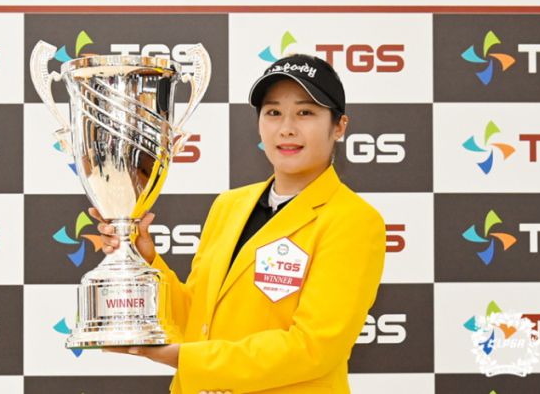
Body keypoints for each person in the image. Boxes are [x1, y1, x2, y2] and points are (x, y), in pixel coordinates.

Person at [95, 54, 386, 394]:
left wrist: (183, 358)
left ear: (339, 126)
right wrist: (144, 260)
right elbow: (196, 319)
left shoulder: (353, 220)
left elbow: (313, 348)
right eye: (273, 112)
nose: (286, 128)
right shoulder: (229, 205)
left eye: (305, 113)